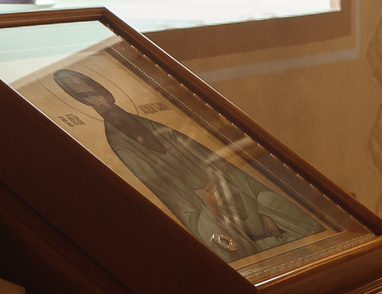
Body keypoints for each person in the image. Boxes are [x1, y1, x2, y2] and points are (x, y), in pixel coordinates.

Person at [47, 67, 320, 262]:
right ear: (81, 102)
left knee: (277, 212)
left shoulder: (149, 123)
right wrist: (205, 202)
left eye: (97, 92)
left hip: (227, 191)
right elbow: (163, 188)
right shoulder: (119, 142)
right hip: (202, 208)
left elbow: (212, 160)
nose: (99, 100)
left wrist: (250, 203)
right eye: (87, 97)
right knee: (233, 247)